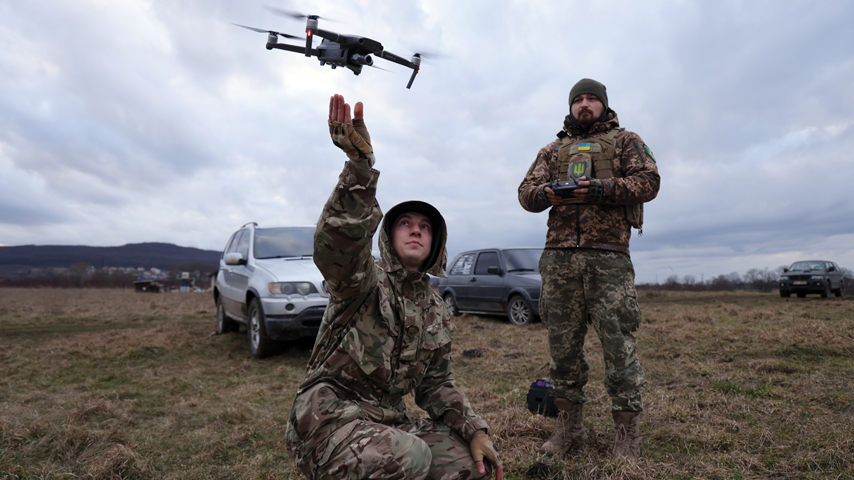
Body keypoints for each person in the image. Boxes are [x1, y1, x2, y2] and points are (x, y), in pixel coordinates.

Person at [285, 94, 503, 480]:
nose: (417, 228)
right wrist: (359, 168)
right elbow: (336, 245)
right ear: (389, 235)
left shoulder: (435, 308)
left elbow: (436, 384)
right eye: (406, 222)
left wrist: (475, 429)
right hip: (326, 419)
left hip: (386, 420)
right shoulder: (362, 280)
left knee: (471, 466)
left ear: (436, 242)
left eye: (425, 225)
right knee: (411, 457)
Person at [517, 78, 660, 459]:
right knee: (562, 348)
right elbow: (525, 193)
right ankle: (569, 428)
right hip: (560, 258)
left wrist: (602, 190)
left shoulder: (626, 141)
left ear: (603, 105)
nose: (584, 104)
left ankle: (627, 434)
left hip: (608, 257)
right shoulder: (553, 149)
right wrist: (547, 193)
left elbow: (648, 181)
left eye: (591, 99)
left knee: (619, 346)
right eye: (578, 99)